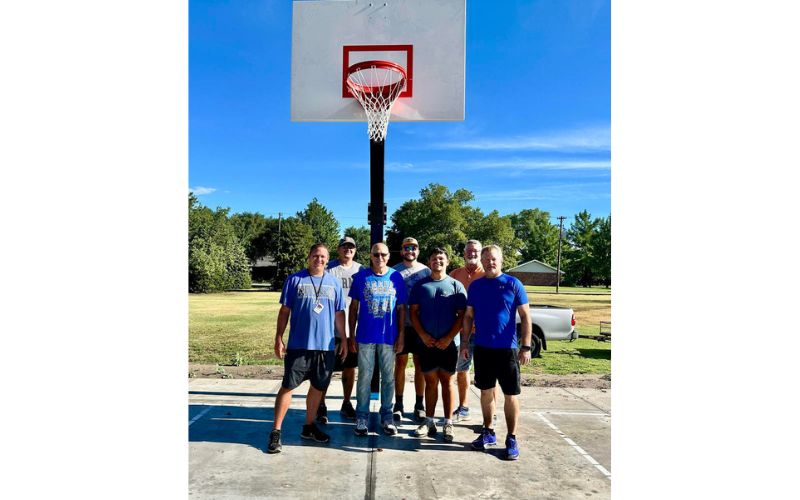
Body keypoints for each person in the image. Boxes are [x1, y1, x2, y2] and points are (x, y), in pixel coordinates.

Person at [267, 243, 347, 454]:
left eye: (322, 257)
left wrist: (345, 340)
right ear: (309, 257)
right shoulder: (295, 280)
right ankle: (276, 431)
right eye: (315, 255)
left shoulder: (334, 283)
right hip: (299, 345)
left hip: (326, 346)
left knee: (318, 387)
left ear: (328, 260)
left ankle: (309, 426)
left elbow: (339, 314)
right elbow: (284, 311)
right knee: (288, 386)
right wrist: (278, 338)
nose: (318, 259)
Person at [460, 245, 532, 461]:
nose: (490, 262)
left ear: (501, 261)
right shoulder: (476, 286)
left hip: (507, 349)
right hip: (482, 348)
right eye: (487, 258)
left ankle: (511, 438)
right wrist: (464, 343)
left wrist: (526, 347)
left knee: (510, 395)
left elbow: (526, 317)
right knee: (485, 392)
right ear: (482, 260)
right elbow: (468, 316)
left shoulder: (513, 284)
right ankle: (489, 432)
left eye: (494, 259)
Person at [408, 248, 467, 443]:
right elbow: (413, 313)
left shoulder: (456, 286)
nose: (437, 261)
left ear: (447, 262)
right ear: (429, 262)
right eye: (434, 259)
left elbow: (462, 316)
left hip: (449, 345)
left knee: (447, 382)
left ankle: (448, 422)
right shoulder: (420, 286)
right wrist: (423, 336)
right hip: (427, 343)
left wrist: (449, 337)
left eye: (441, 258)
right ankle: (429, 421)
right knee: (430, 382)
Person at [349, 242, 407, 436]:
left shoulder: (396, 277)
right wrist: (351, 334)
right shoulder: (361, 277)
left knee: (388, 378)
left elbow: (401, 309)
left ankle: (387, 416)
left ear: (389, 256)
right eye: (376, 254)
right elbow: (353, 308)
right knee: (365, 376)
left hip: (389, 337)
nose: (379, 258)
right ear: (370, 256)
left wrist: (401, 336)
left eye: (383, 254)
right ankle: (362, 416)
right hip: (365, 336)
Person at [316, 236, 362, 423]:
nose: (347, 250)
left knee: (350, 368)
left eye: (351, 247)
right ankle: (321, 404)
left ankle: (346, 402)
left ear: (355, 250)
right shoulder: (329, 269)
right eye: (344, 247)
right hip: (330, 329)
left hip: (354, 329)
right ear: (338, 249)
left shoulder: (361, 270)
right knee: (326, 369)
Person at [391, 237, 431, 422]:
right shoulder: (394, 271)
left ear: (418, 250)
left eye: (414, 247)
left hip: (420, 325)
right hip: (400, 325)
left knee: (419, 365)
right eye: (406, 247)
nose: (410, 250)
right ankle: (398, 404)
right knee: (400, 364)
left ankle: (419, 404)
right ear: (401, 250)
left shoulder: (426, 271)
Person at [449, 239, 486, 422]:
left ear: (481, 253)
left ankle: (490, 414)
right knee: (462, 371)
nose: (472, 254)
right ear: (464, 253)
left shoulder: (487, 274)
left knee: (486, 374)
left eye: (476, 251)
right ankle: (463, 408)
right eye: (469, 251)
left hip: (483, 332)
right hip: (461, 332)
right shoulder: (455, 274)